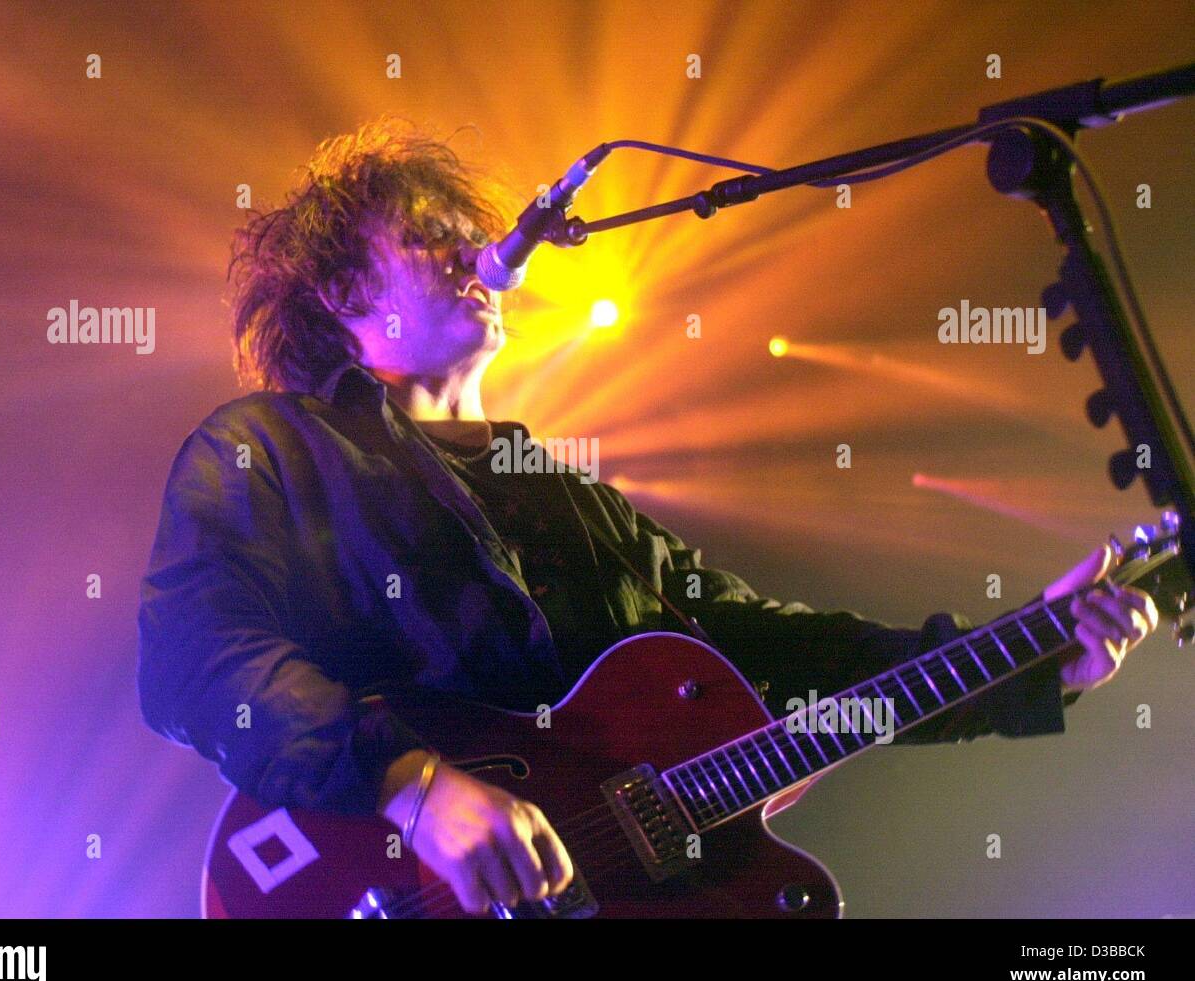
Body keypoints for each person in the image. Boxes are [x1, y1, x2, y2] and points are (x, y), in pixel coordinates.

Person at [136, 117, 1159, 916]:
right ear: (346, 291)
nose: (475, 255)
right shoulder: (270, 447)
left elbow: (769, 653)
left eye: (466, 235)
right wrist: (412, 785)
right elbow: (195, 660)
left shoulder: (558, 487)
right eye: (429, 239)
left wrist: (1024, 654)